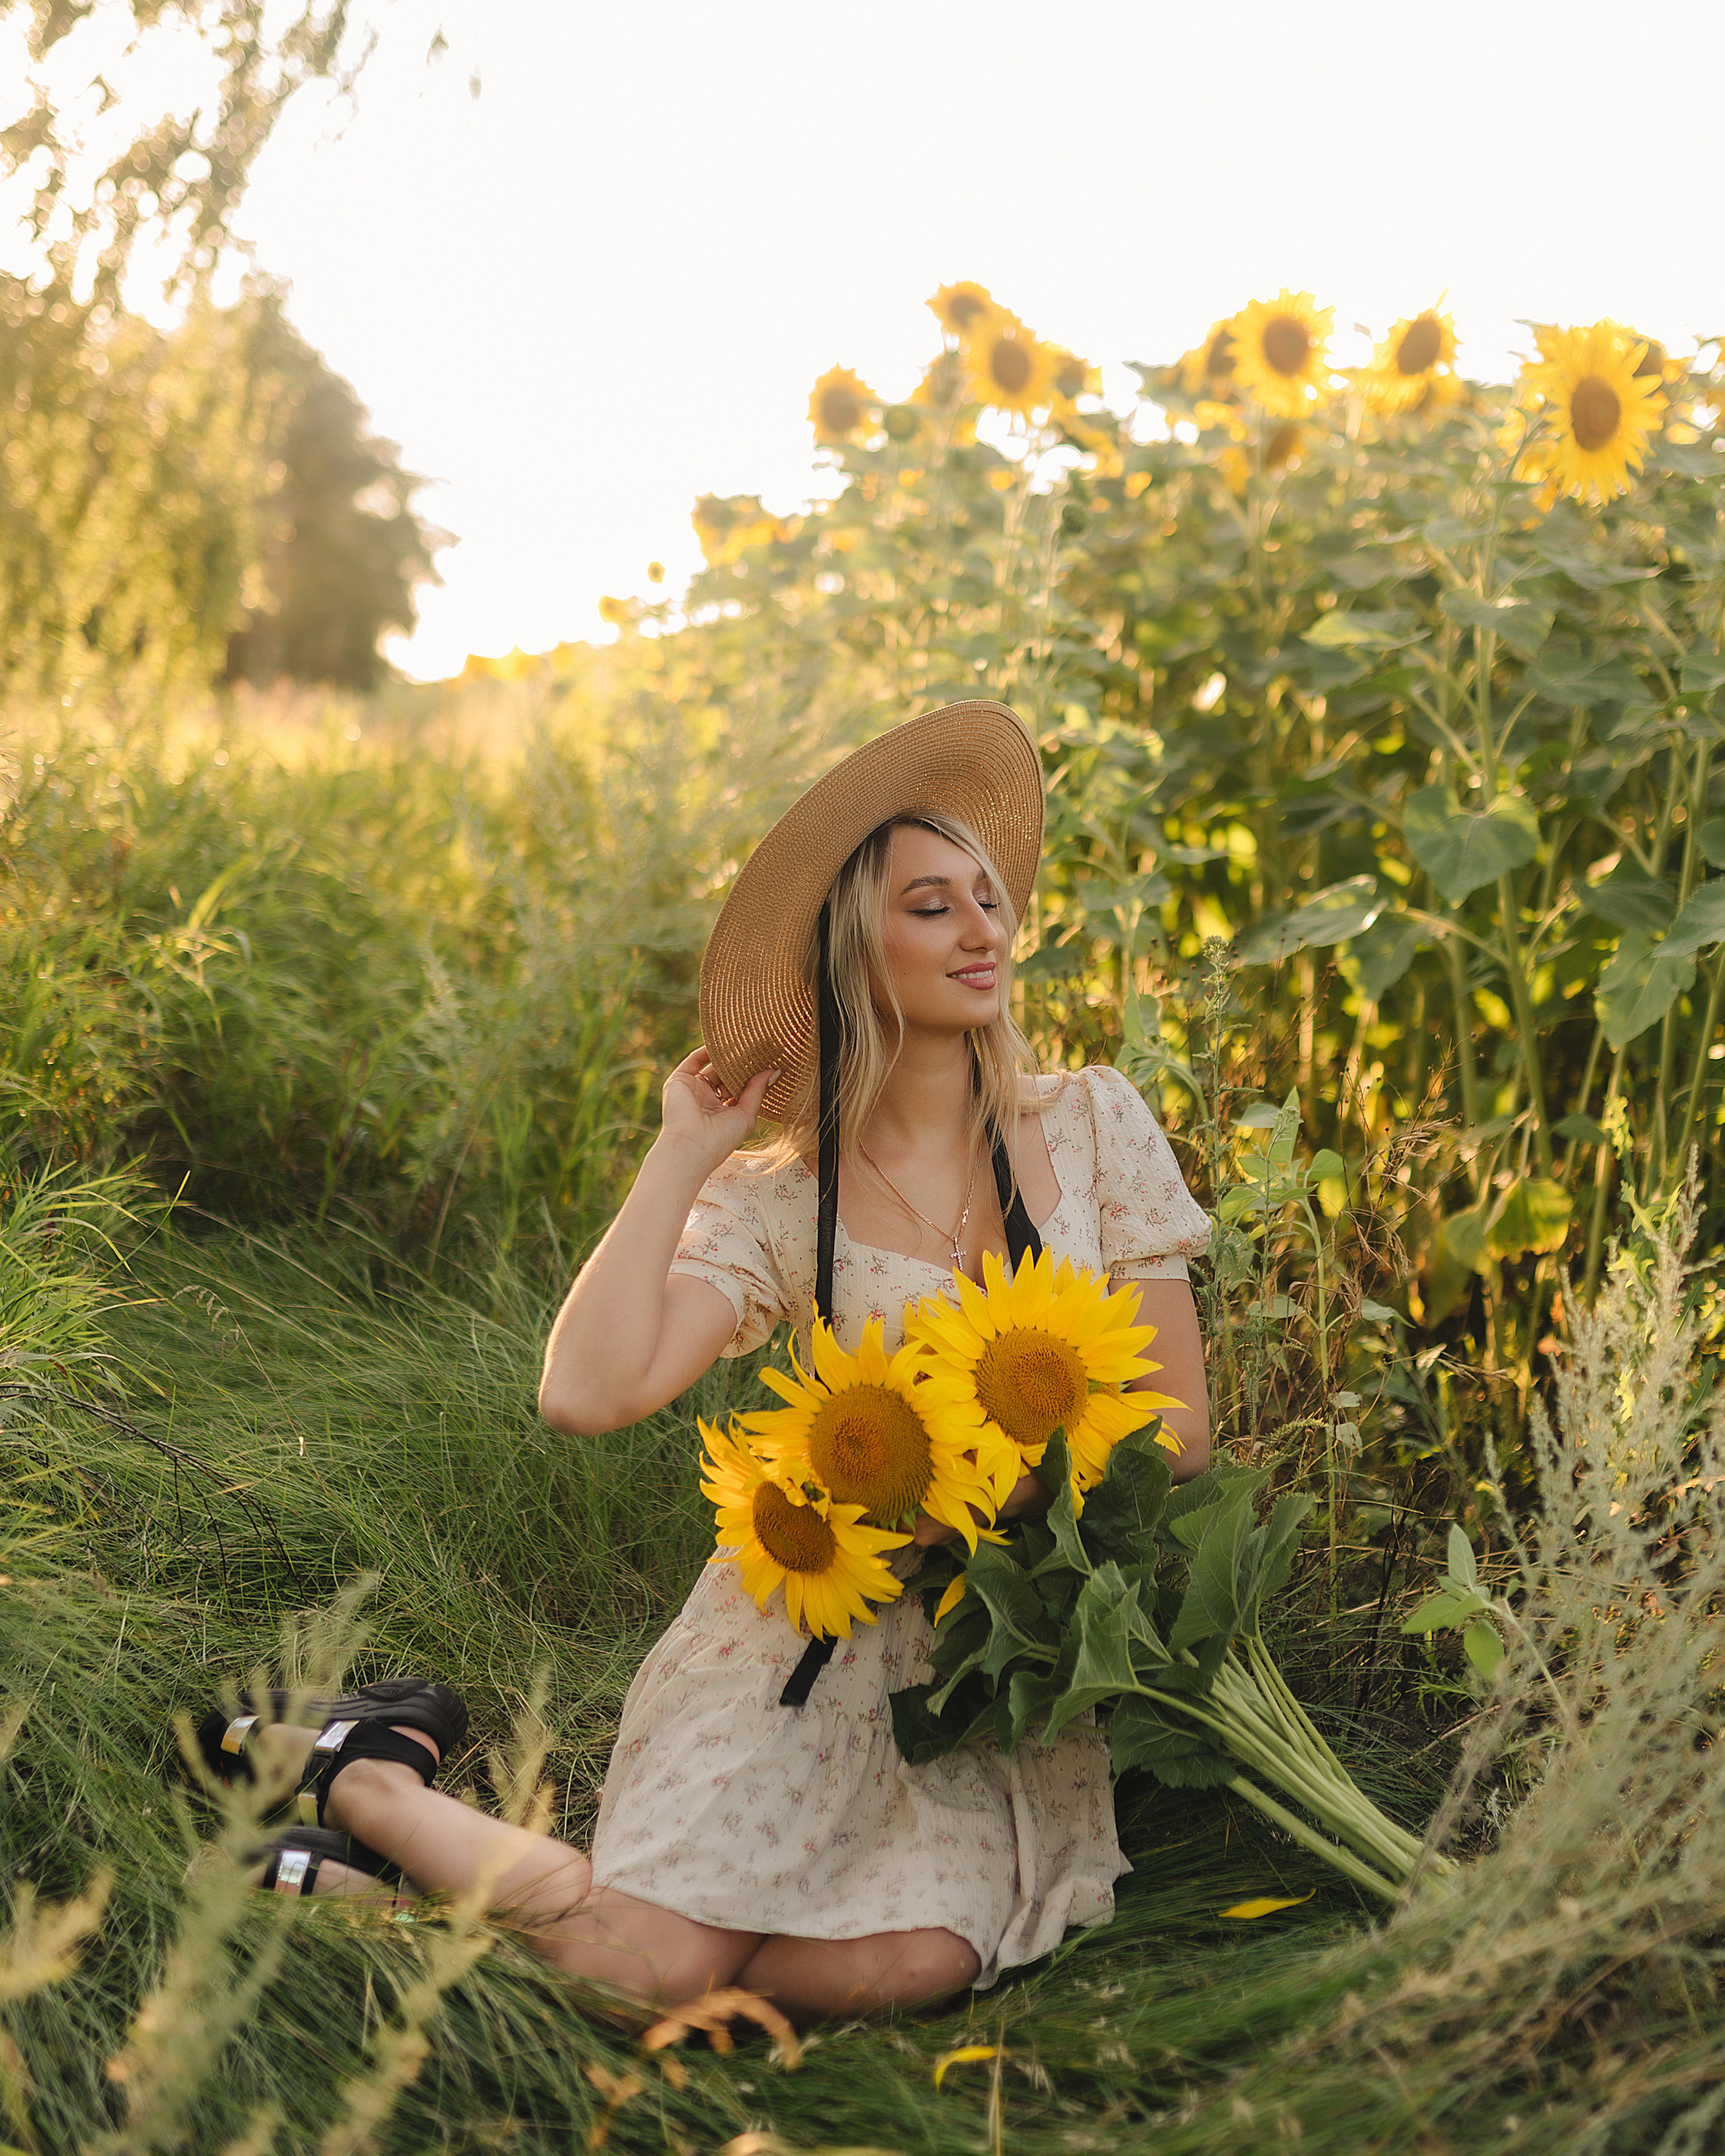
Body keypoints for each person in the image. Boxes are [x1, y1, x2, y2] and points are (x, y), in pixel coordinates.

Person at [201, 704, 1211, 2022]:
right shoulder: (787, 1199)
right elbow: (585, 1393)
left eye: (987, 899)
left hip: (998, 1649)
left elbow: (1180, 1431)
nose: (983, 931)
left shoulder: (1092, 1126)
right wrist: (682, 1150)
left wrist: (992, 1502)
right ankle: (376, 1781)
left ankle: (388, 1861)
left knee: (903, 1968)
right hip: (803, 1636)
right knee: (655, 1976)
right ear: (853, 953)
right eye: (931, 907)